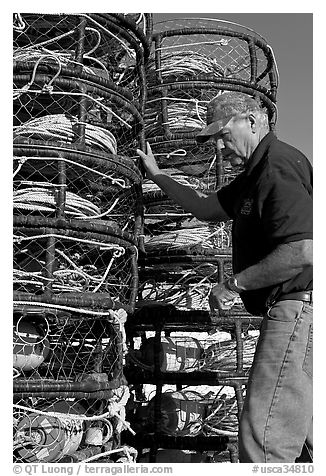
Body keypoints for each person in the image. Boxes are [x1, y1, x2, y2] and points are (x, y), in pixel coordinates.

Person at [136, 91, 313, 463]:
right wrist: (158, 176)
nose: (218, 146)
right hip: (295, 313)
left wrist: (235, 284)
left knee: (263, 436)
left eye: (222, 134)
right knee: (305, 430)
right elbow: (205, 207)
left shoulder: (278, 166)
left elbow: (303, 251)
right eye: (212, 138)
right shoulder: (252, 177)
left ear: (252, 121)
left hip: (295, 311)